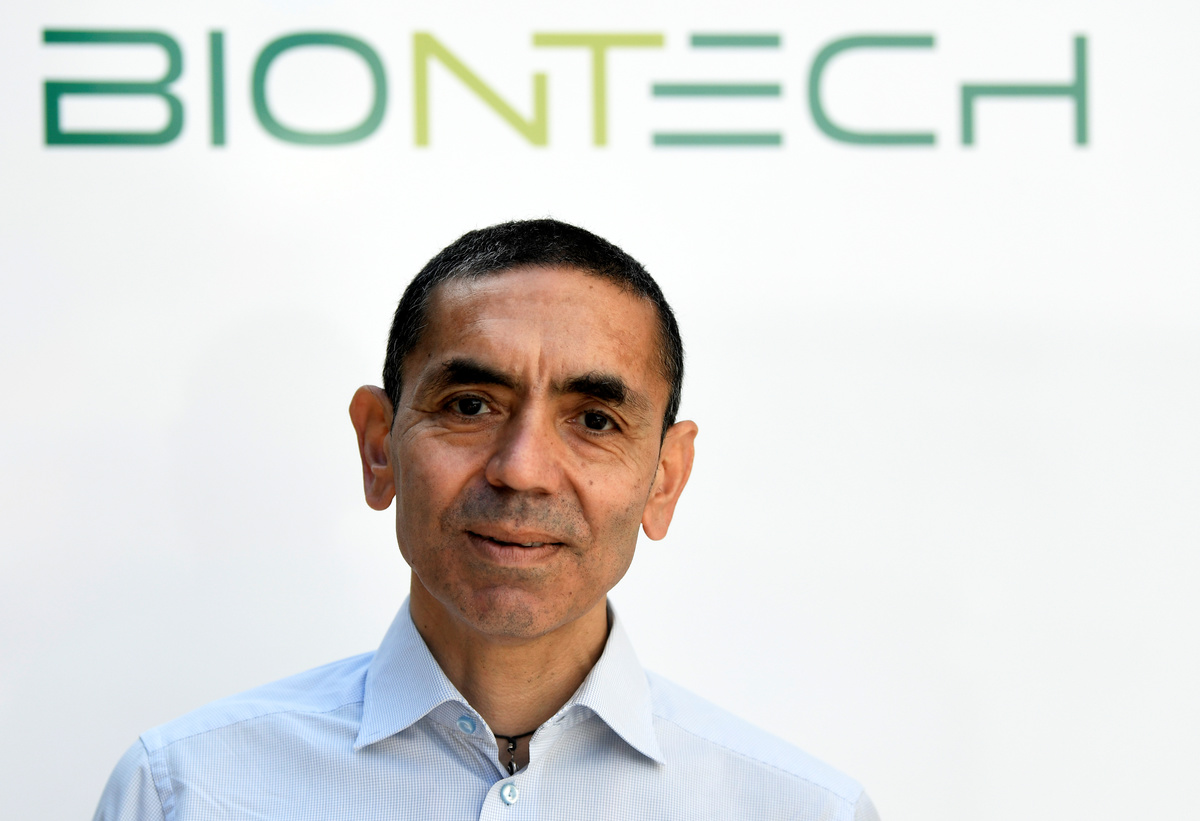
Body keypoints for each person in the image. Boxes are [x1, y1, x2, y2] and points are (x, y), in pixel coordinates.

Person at [94, 219, 880, 820]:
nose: (522, 469)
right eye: (470, 405)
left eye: (595, 420)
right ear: (379, 447)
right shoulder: (185, 791)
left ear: (664, 480)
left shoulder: (803, 810)